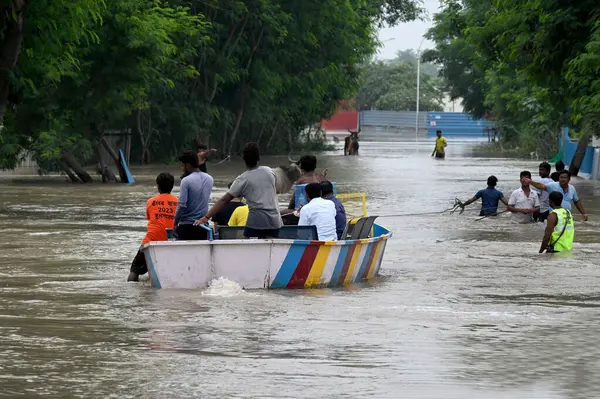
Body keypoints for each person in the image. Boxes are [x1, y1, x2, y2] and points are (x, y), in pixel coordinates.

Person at [194, 142, 282, 238]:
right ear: (258, 158)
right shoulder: (269, 171)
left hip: (257, 221)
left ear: (243, 158)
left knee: (250, 248)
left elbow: (224, 200)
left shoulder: (243, 179)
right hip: (275, 220)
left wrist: (206, 217)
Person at [128, 173, 178, 282]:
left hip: (151, 241)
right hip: (171, 241)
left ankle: (130, 291)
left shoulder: (150, 202)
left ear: (158, 186)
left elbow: (150, 218)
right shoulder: (178, 202)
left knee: (135, 270)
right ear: (172, 186)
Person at [174, 150, 214, 240]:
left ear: (188, 165)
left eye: (182, 165)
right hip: (203, 225)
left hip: (186, 226)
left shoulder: (186, 180)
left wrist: (175, 223)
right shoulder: (209, 179)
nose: (181, 167)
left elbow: (182, 205)